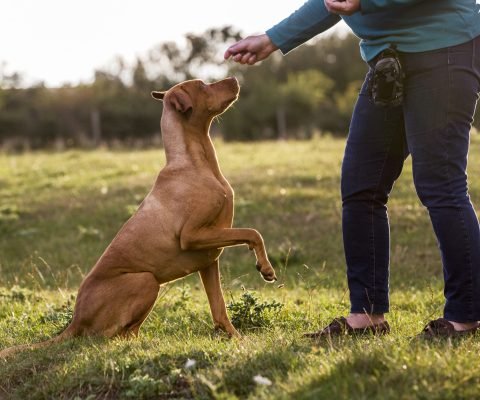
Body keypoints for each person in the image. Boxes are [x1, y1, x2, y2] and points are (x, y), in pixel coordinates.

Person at [224, 0, 480, 338]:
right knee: (361, 186)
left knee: (440, 183)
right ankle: (367, 316)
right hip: (387, 60)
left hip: (445, 49)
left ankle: (465, 317)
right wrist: (273, 38)